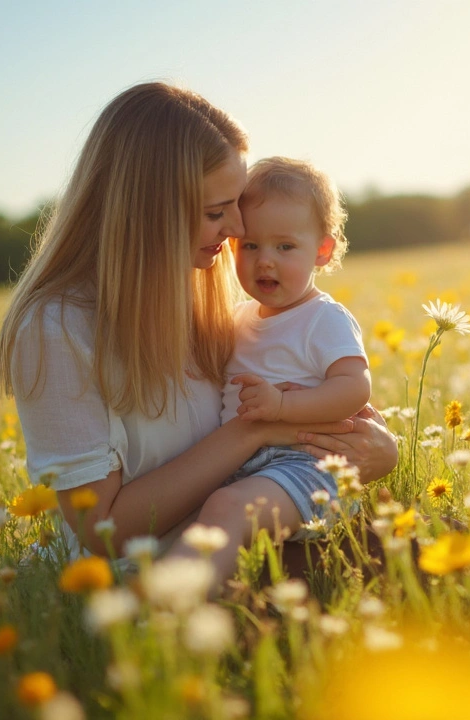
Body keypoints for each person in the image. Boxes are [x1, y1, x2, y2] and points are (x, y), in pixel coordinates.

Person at [0, 83, 397, 560]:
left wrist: (380, 451)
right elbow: (102, 530)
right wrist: (256, 430)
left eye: (237, 205)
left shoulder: (204, 296)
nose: (238, 230)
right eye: (215, 212)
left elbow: (314, 390)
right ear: (151, 211)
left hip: (252, 549)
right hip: (133, 582)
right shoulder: (56, 327)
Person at [165, 157, 370, 584]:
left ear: (323, 250)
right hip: (250, 468)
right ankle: (193, 603)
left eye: (285, 247)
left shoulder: (323, 317)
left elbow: (355, 389)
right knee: (199, 520)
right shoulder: (240, 318)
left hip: (308, 467)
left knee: (225, 508)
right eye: (251, 246)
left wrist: (281, 405)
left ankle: (172, 618)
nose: (265, 262)